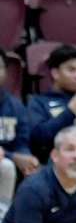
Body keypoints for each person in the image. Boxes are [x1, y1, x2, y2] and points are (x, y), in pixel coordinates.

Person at [0, 48, 39, 208]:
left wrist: (26, 159)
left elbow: (22, 141)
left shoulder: (15, 105)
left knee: (39, 172)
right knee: (6, 166)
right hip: (6, 163)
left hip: (7, 161)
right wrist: (13, 157)